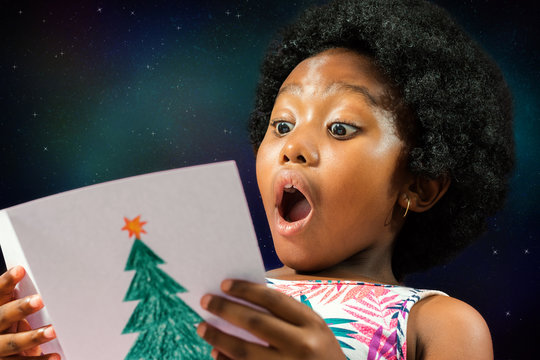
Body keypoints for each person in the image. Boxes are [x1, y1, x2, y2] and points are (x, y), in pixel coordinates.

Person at [0, 0, 514, 359]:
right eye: (281, 125)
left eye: (340, 127)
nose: (292, 145)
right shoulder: (201, 292)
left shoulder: (438, 325)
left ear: (419, 186)